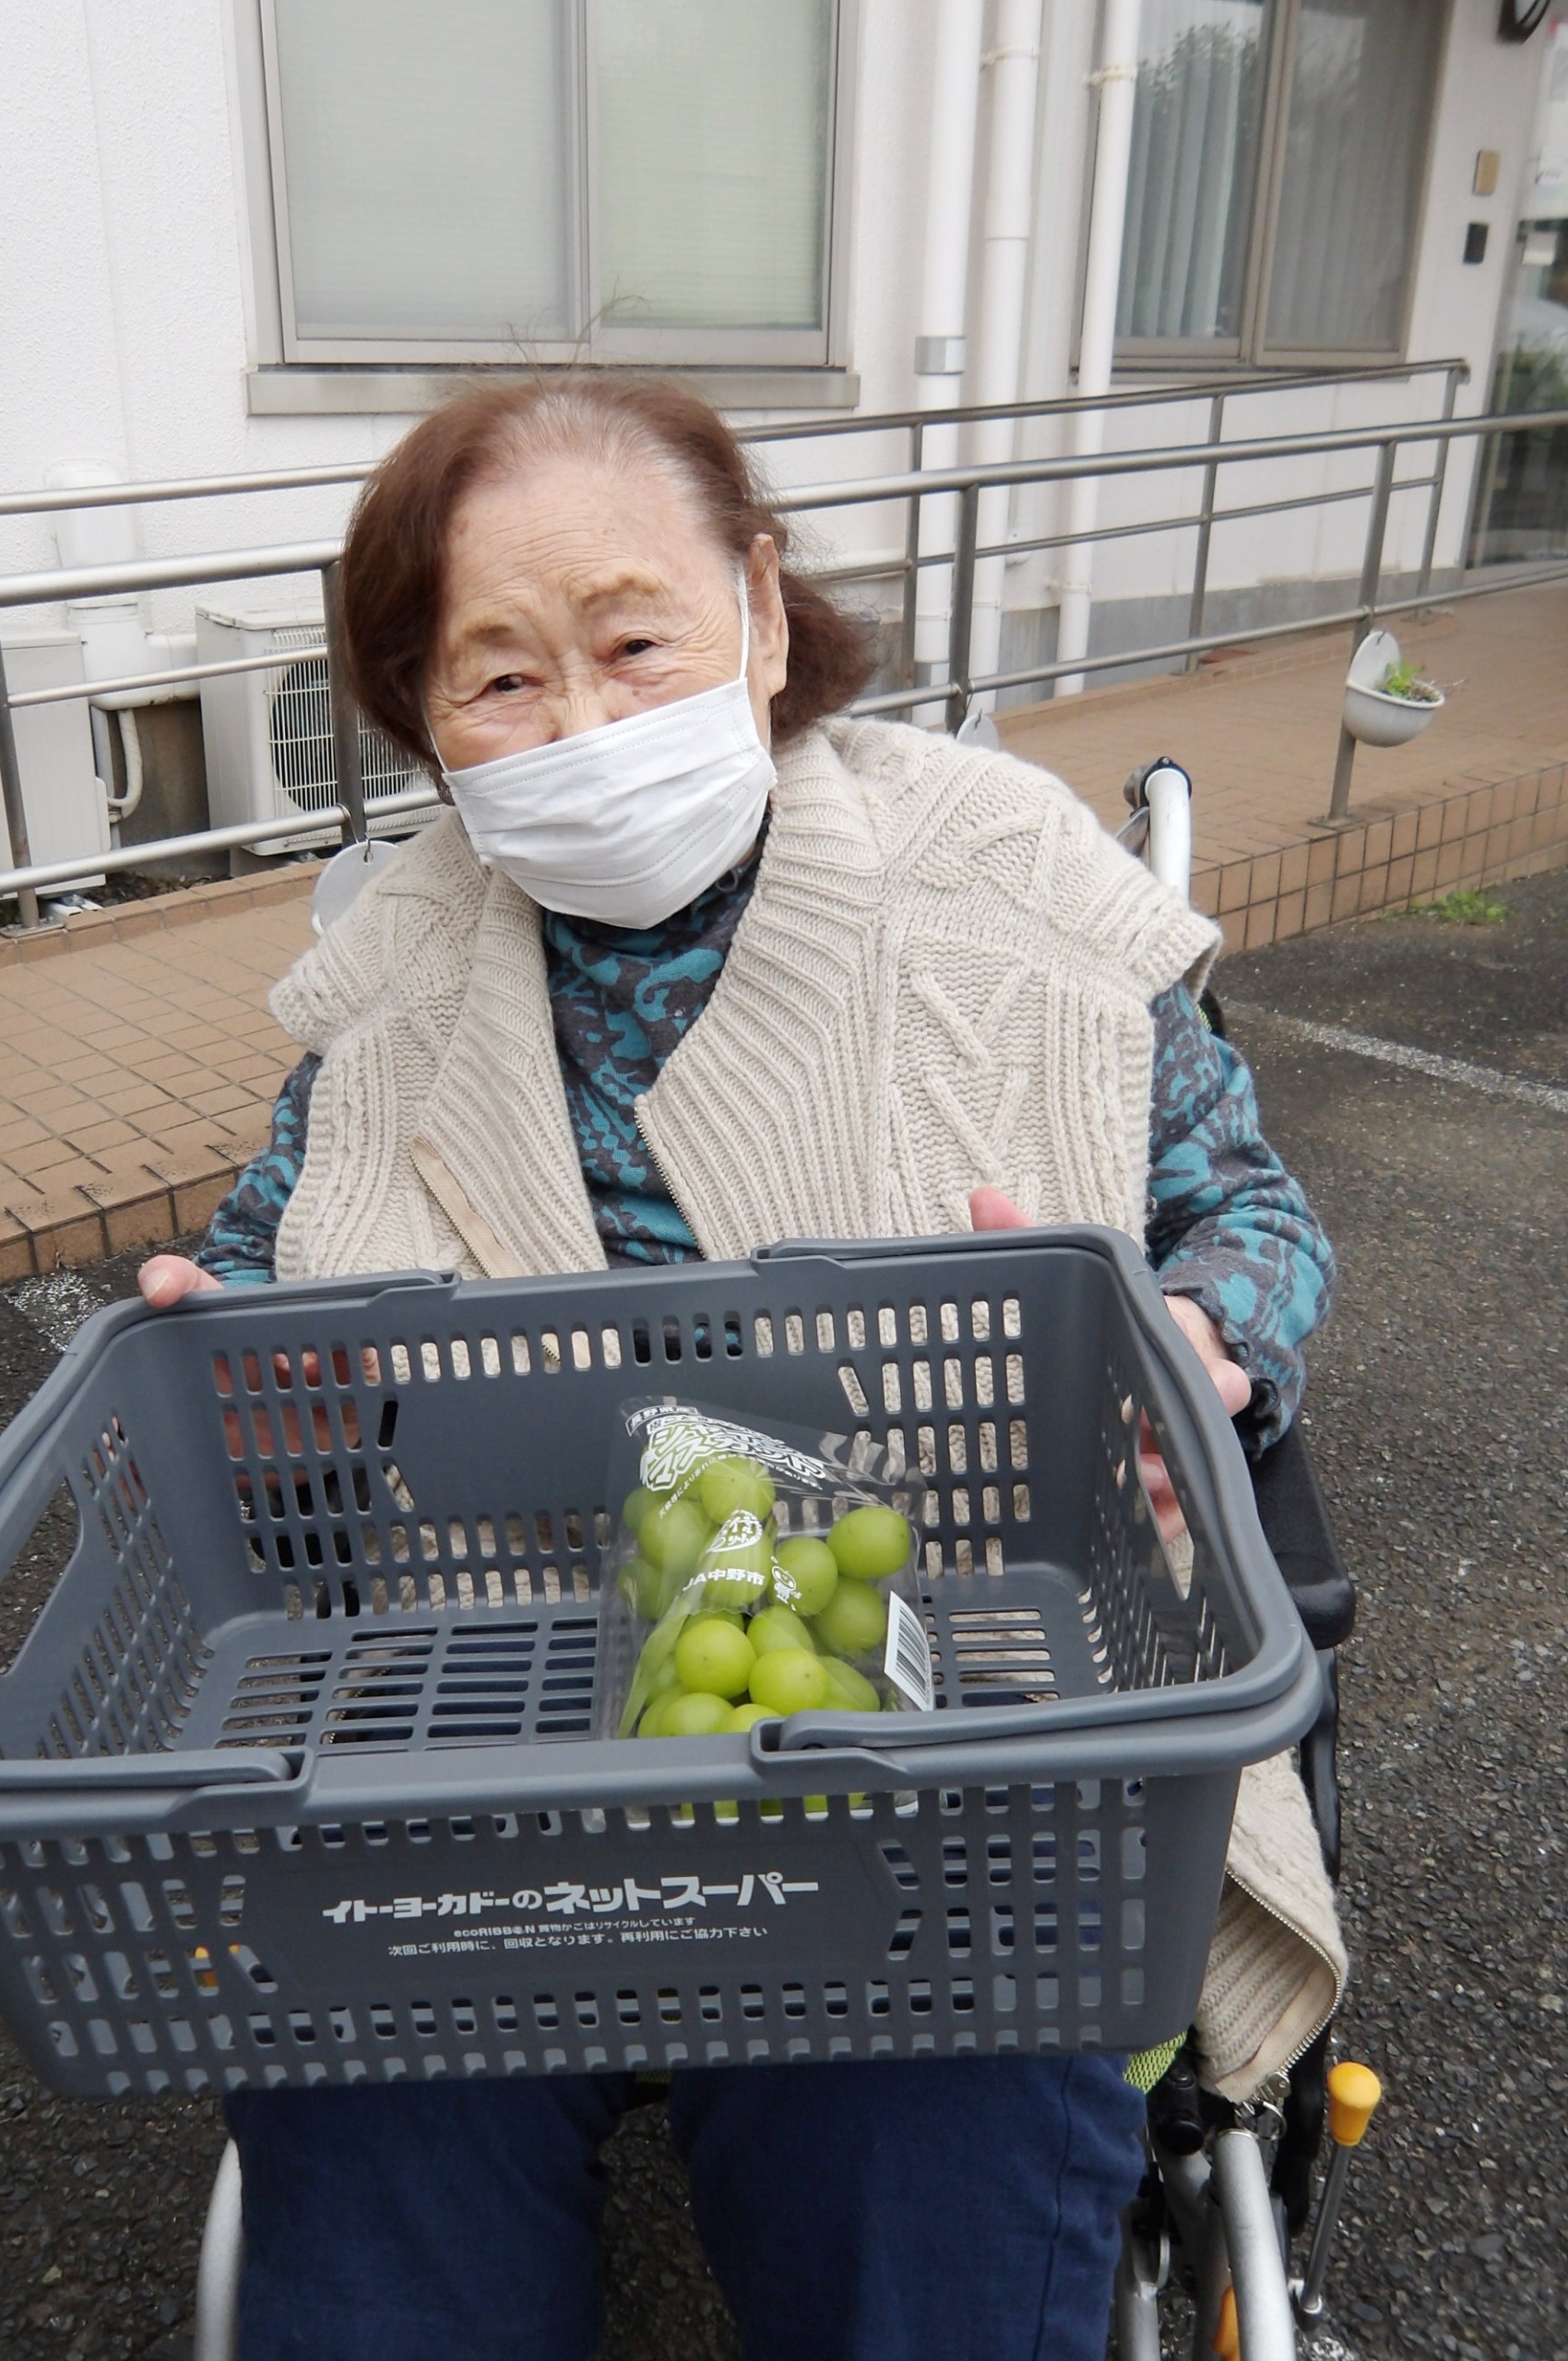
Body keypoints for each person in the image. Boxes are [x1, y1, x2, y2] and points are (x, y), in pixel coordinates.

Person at [139, 374, 1342, 2361]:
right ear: (425, 724)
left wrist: (1202, 1334)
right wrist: (240, 1367)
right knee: (362, 2091)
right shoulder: (394, 985)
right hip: (505, 1735)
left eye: (633, 640)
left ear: (764, 615)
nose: (585, 728)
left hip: (957, 1726)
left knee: (931, 2125)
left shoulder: (1003, 878)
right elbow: (269, 1278)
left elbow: (1253, 1216)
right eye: (499, 679)